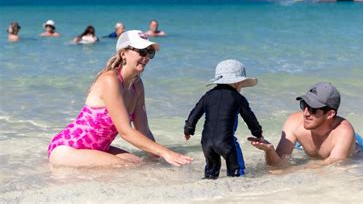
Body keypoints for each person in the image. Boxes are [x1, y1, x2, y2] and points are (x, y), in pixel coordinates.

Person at [48, 30, 193, 167]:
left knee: (142, 164)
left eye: (150, 52)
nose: (146, 57)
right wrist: (165, 152)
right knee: (127, 167)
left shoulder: (137, 85)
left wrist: (160, 157)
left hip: (99, 148)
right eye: (142, 52)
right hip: (67, 149)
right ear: (123, 53)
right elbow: (125, 131)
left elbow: (143, 130)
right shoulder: (110, 80)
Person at [250, 82, 363, 168]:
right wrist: (269, 151)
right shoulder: (294, 122)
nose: (306, 113)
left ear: (330, 114)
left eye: (313, 109)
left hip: (356, 147)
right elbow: (278, 165)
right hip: (316, 142)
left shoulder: (344, 132)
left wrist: (295, 170)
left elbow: (331, 166)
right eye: (304, 105)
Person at [184, 59, 264, 179]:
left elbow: (195, 113)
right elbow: (249, 118)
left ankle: (208, 189)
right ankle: (237, 188)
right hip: (226, 143)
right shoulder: (238, 98)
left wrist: (188, 129)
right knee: (236, 171)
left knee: (211, 172)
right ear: (238, 83)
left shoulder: (208, 96)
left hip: (206, 142)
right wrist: (258, 133)